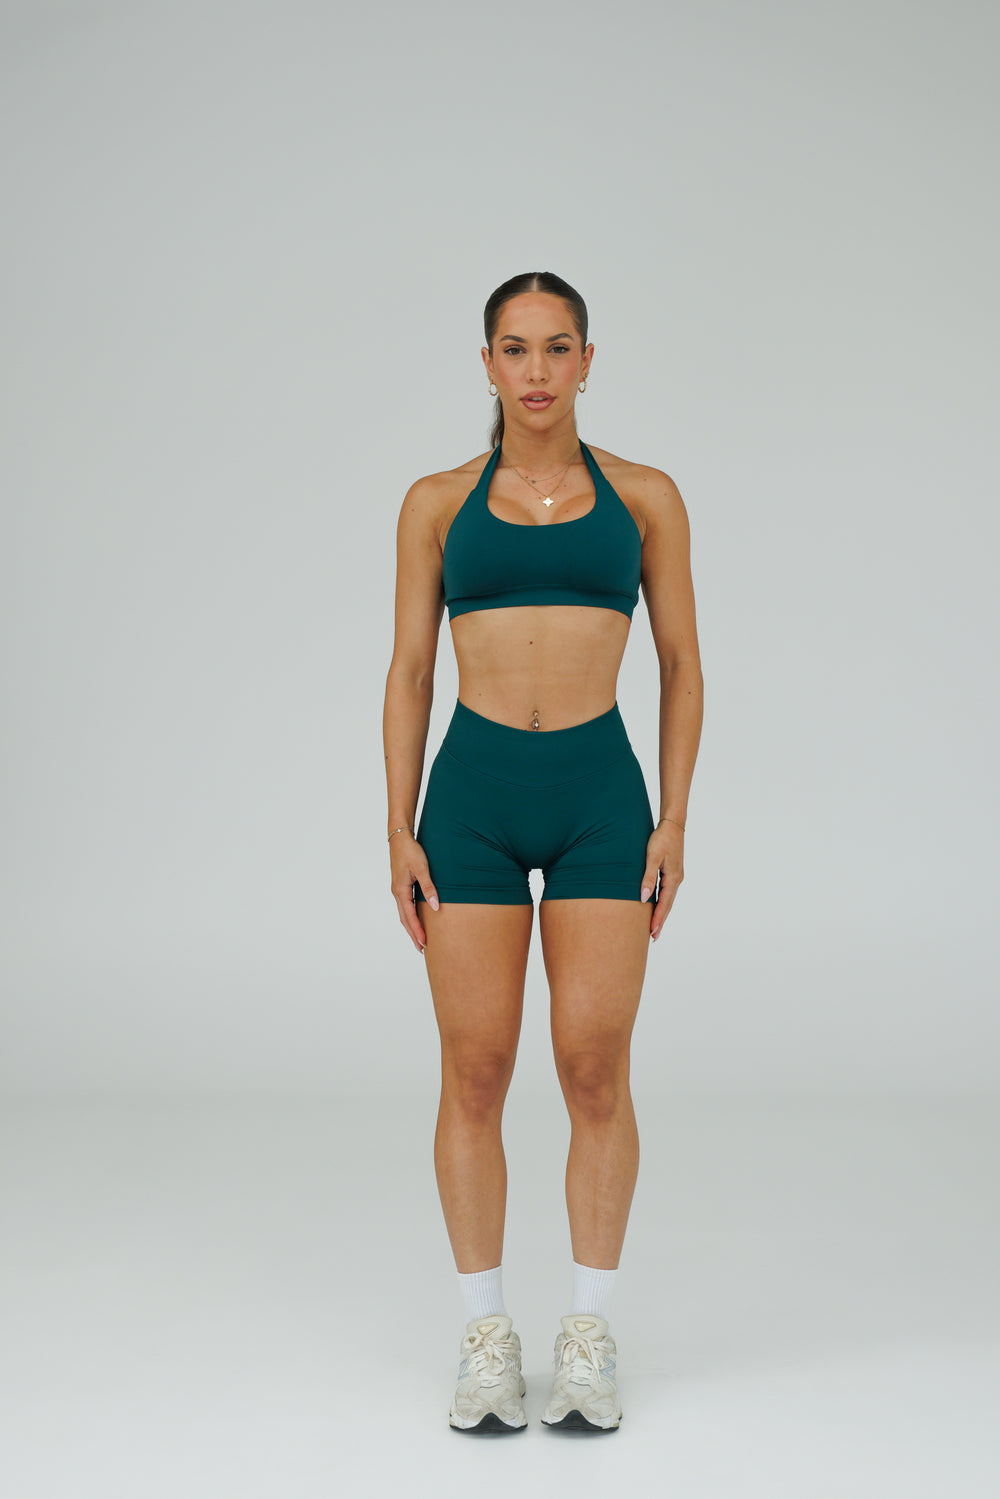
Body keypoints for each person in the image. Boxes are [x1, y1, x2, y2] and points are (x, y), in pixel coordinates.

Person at [382, 271, 703, 1434]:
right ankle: (485, 1337)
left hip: (597, 799)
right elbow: (412, 670)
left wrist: (672, 819)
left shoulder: (646, 496)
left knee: (592, 1066)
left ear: (586, 360)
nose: (535, 369)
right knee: (474, 1071)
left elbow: (681, 664)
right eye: (514, 348)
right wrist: (397, 823)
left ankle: (588, 1336)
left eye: (556, 346)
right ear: (487, 363)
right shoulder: (434, 502)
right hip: (470, 799)